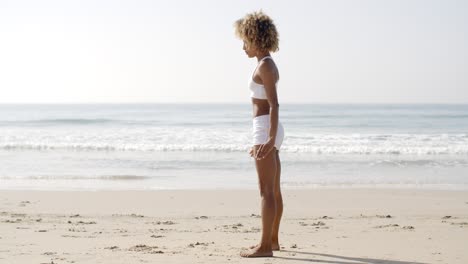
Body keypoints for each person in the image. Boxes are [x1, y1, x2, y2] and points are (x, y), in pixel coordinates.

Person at [234, 10, 285, 258]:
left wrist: (268, 138)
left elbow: (274, 104)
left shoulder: (264, 66)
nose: (244, 47)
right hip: (269, 128)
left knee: (266, 190)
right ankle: (273, 241)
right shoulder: (267, 64)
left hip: (265, 127)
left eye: (246, 41)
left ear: (256, 38)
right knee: (273, 190)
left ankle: (265, 246)